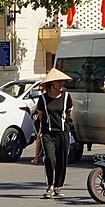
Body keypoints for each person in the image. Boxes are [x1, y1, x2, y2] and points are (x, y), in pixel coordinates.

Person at [32, 68, 76, 199]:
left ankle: (58, 186)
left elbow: (69, 114)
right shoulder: (43, 99)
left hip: (63, 132)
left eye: (62, 82)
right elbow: (41, 117)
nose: (61, 84)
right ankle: (50, 185)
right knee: (50, 159)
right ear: (51, 84)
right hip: (48, 134)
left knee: (61, 160)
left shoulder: (67, 97)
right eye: (58, 82)